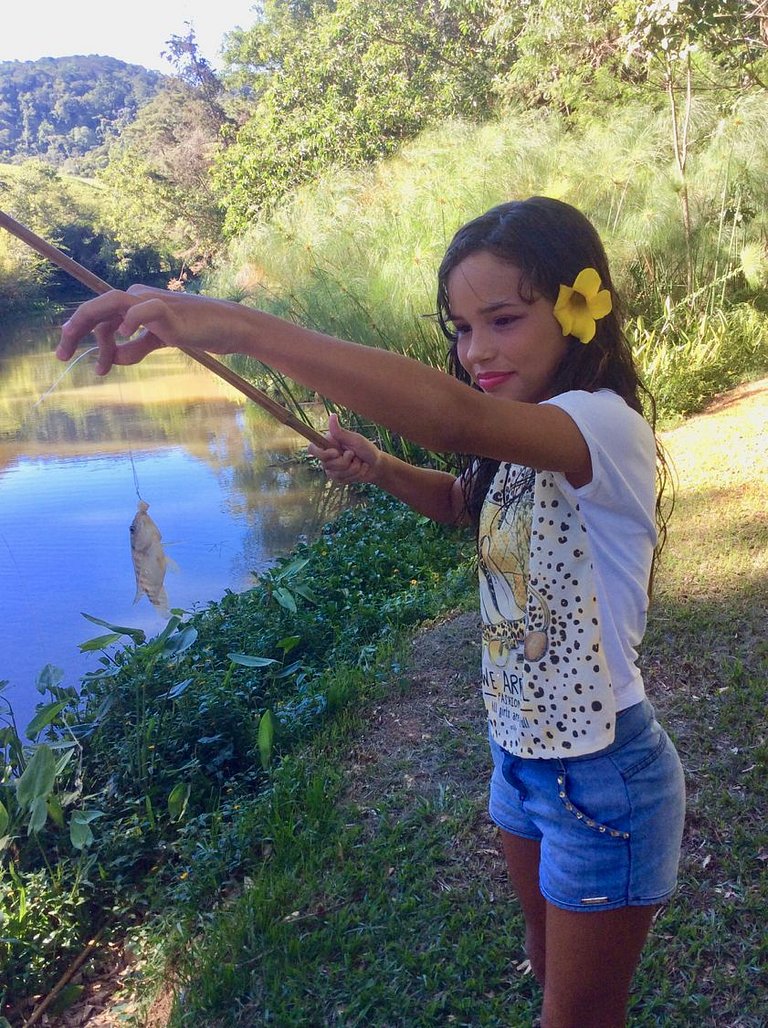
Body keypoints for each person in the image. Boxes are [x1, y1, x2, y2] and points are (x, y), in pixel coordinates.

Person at [57, 196, 686, 1027]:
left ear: (580, 310)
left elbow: (454, 414)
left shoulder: (599, 426)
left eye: (502, 319)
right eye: (461, 329)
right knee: (544, 972)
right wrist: (384, 467)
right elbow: (469, 503)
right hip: (524, 763)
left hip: (604, 779)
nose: (476, 352)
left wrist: (236, 326)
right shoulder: (528, 438)